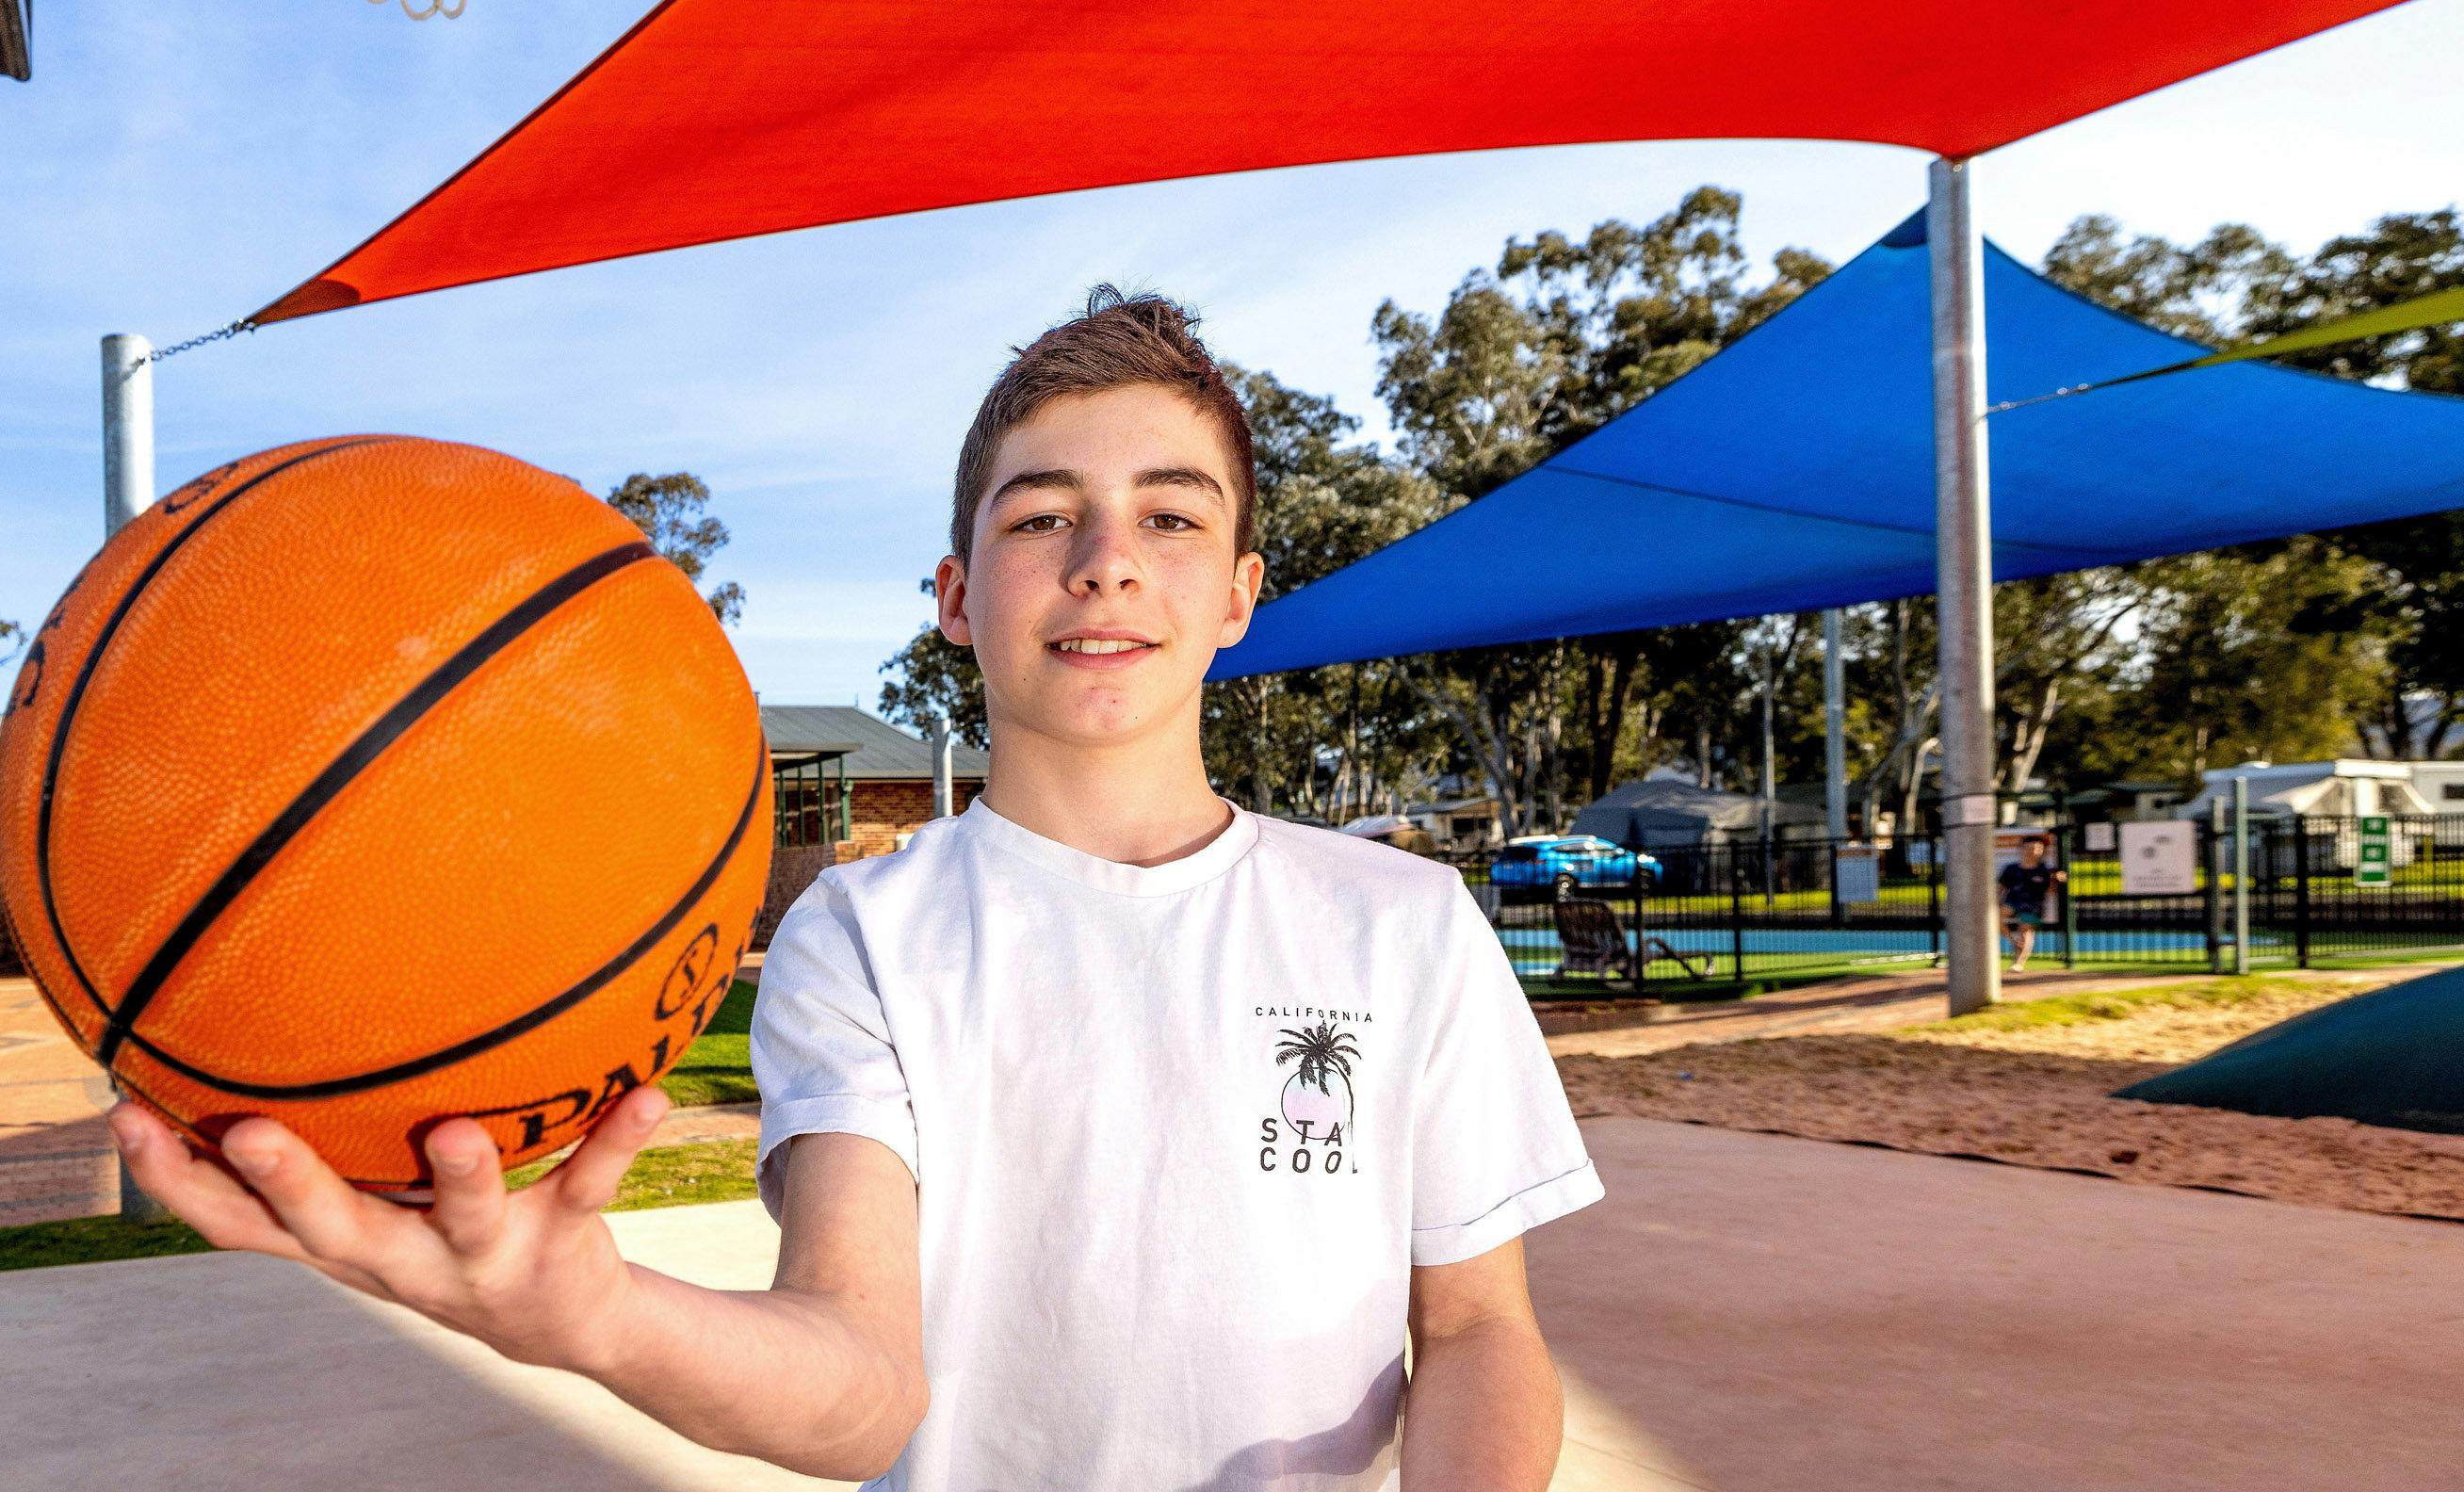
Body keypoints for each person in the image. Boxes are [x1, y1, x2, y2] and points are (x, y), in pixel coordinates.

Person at [113, 289, 1598, 1489]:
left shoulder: (1401, 924)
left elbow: (1474, 1328)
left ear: (1237, 594)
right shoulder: (862, 936)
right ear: (956, 598)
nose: (1102, 563)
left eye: (1169, 516)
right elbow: (864, 1384)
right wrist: (596, 1316)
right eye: (1037, 517)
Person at [1998, 833, 2062, 971]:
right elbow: (2000, 887)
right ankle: (2014, 942)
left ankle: (2018, 963)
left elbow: (2050, 892)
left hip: (2033, 905)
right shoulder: (2011, 869)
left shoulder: (2045, 870)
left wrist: (2055, 880)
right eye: (2028, 848)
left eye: (2036, 848)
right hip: (2013, 901)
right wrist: (1995, 902)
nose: (2032, 851)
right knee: (1995, 918)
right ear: (2021, 849)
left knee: (2025, 931)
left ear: (2041, 851)